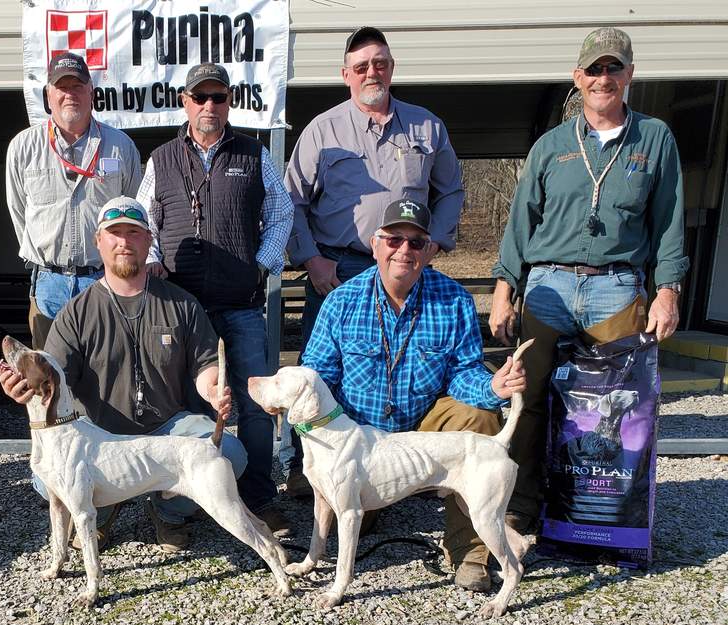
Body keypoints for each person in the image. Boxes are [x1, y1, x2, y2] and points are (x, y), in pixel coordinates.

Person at [489, 27, 688, 533]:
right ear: (577, 79)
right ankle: (522, 506)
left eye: (614, 68)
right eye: (594, 69)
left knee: (615, 404)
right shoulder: (551, 146)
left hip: (617, 288)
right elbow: (520, 223)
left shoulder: (655, 138)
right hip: (549, 287)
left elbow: (667, 220)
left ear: (630, 75)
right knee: (527, 398)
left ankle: (601, 513)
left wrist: (667, 290)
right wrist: (504, 291)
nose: (604, 78)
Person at [0, 196, 247, 553]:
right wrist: (19, 388)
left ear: (148, 241)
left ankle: (168, 510)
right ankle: (104, 511)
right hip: (101, 437)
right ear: (98, 241)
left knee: (229, 454)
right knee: (44, 480)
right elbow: (50, 379)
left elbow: (206, 365)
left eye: (134, 233)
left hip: (168, 428)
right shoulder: (75, 314)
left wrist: (213, 391)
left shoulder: (181, 303)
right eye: (114, 234)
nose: (124, 242)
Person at [303, 198, 526, 592]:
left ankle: (470, 553)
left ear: (430, 250)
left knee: (480, 417)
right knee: (352, 516)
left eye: (416, 242)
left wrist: (493, 387)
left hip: (424, 423)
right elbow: (317, 379)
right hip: (363, 439)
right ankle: (342, 535)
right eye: (394, 239)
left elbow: (463, 373)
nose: (404, 250)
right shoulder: (340, 301)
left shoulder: (454, 299)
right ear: (375, 244)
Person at [282, 26, 464, 494]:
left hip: (405, 262)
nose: (371, 72)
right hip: (337, 269)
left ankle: (390, 472)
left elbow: (451, 191)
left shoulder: (427, 127)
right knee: (321, 374)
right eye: (361, 66)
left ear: (392, 67)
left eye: (379, 63)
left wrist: (435, 243)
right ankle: (313, 473)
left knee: (396, 367)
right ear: (346, 75)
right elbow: (292, 203)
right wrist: (311, 260)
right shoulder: (322, 130)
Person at [135, 63, 294, 533]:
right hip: (180, 310)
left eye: (218, 97)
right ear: (184, 101)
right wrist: (155, 260)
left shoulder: (254, 154)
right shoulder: (161, 158)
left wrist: (260, 263)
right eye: (199, 97)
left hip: (241, 306)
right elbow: (145, 219)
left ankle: (259, 499)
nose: (209, 106)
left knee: (258, 405)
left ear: (229, 102)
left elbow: (282, 214)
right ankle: (189, 500)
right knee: (188, 402)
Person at [6, 52, 143, 348]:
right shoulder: (23, 148)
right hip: (48, 284)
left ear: (91, 92)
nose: (70, 95)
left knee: (106, 373)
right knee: (49, 380)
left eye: (78, 86)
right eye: (62, 87)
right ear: (48, 94)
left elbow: (133, 214)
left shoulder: (121, 147)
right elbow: (19, 212)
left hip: (102, 279)